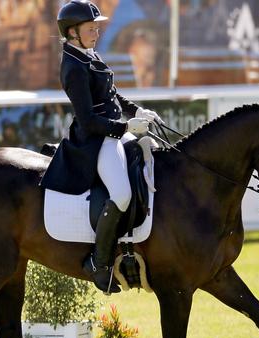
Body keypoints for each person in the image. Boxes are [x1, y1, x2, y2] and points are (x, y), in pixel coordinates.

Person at [40, 0, 162, 294]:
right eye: (90, 28)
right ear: (72, 32)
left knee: (154, 155)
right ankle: (99, 261)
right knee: (121, 194)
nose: (97, 31)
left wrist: (137, 112)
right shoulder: (72, 66)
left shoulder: (89, 54)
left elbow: (112, 97)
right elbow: (88, 120)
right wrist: (124, 128)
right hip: (95, 142)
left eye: (97, 26)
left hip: (113, 132)